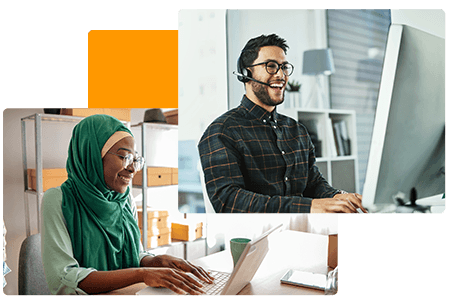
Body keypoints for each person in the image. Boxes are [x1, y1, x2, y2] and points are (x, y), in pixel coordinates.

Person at [41, 114, 213, 295]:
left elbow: (133, 255)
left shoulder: (123, 199)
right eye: (124, 157)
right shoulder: (59, 200)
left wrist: (156, 262)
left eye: (135, 160)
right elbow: (64, 277)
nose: (132, 169)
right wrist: (142, 274)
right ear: (92, 154)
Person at [198, 34, 367, 214]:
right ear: (246, 74)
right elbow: (229, 202)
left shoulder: (297, 130)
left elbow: (313, 184)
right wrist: (307, 207)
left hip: (306, 228)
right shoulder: (222, 132)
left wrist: (337, 197)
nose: (281, 75)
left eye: (284, 67)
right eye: (270, 66)